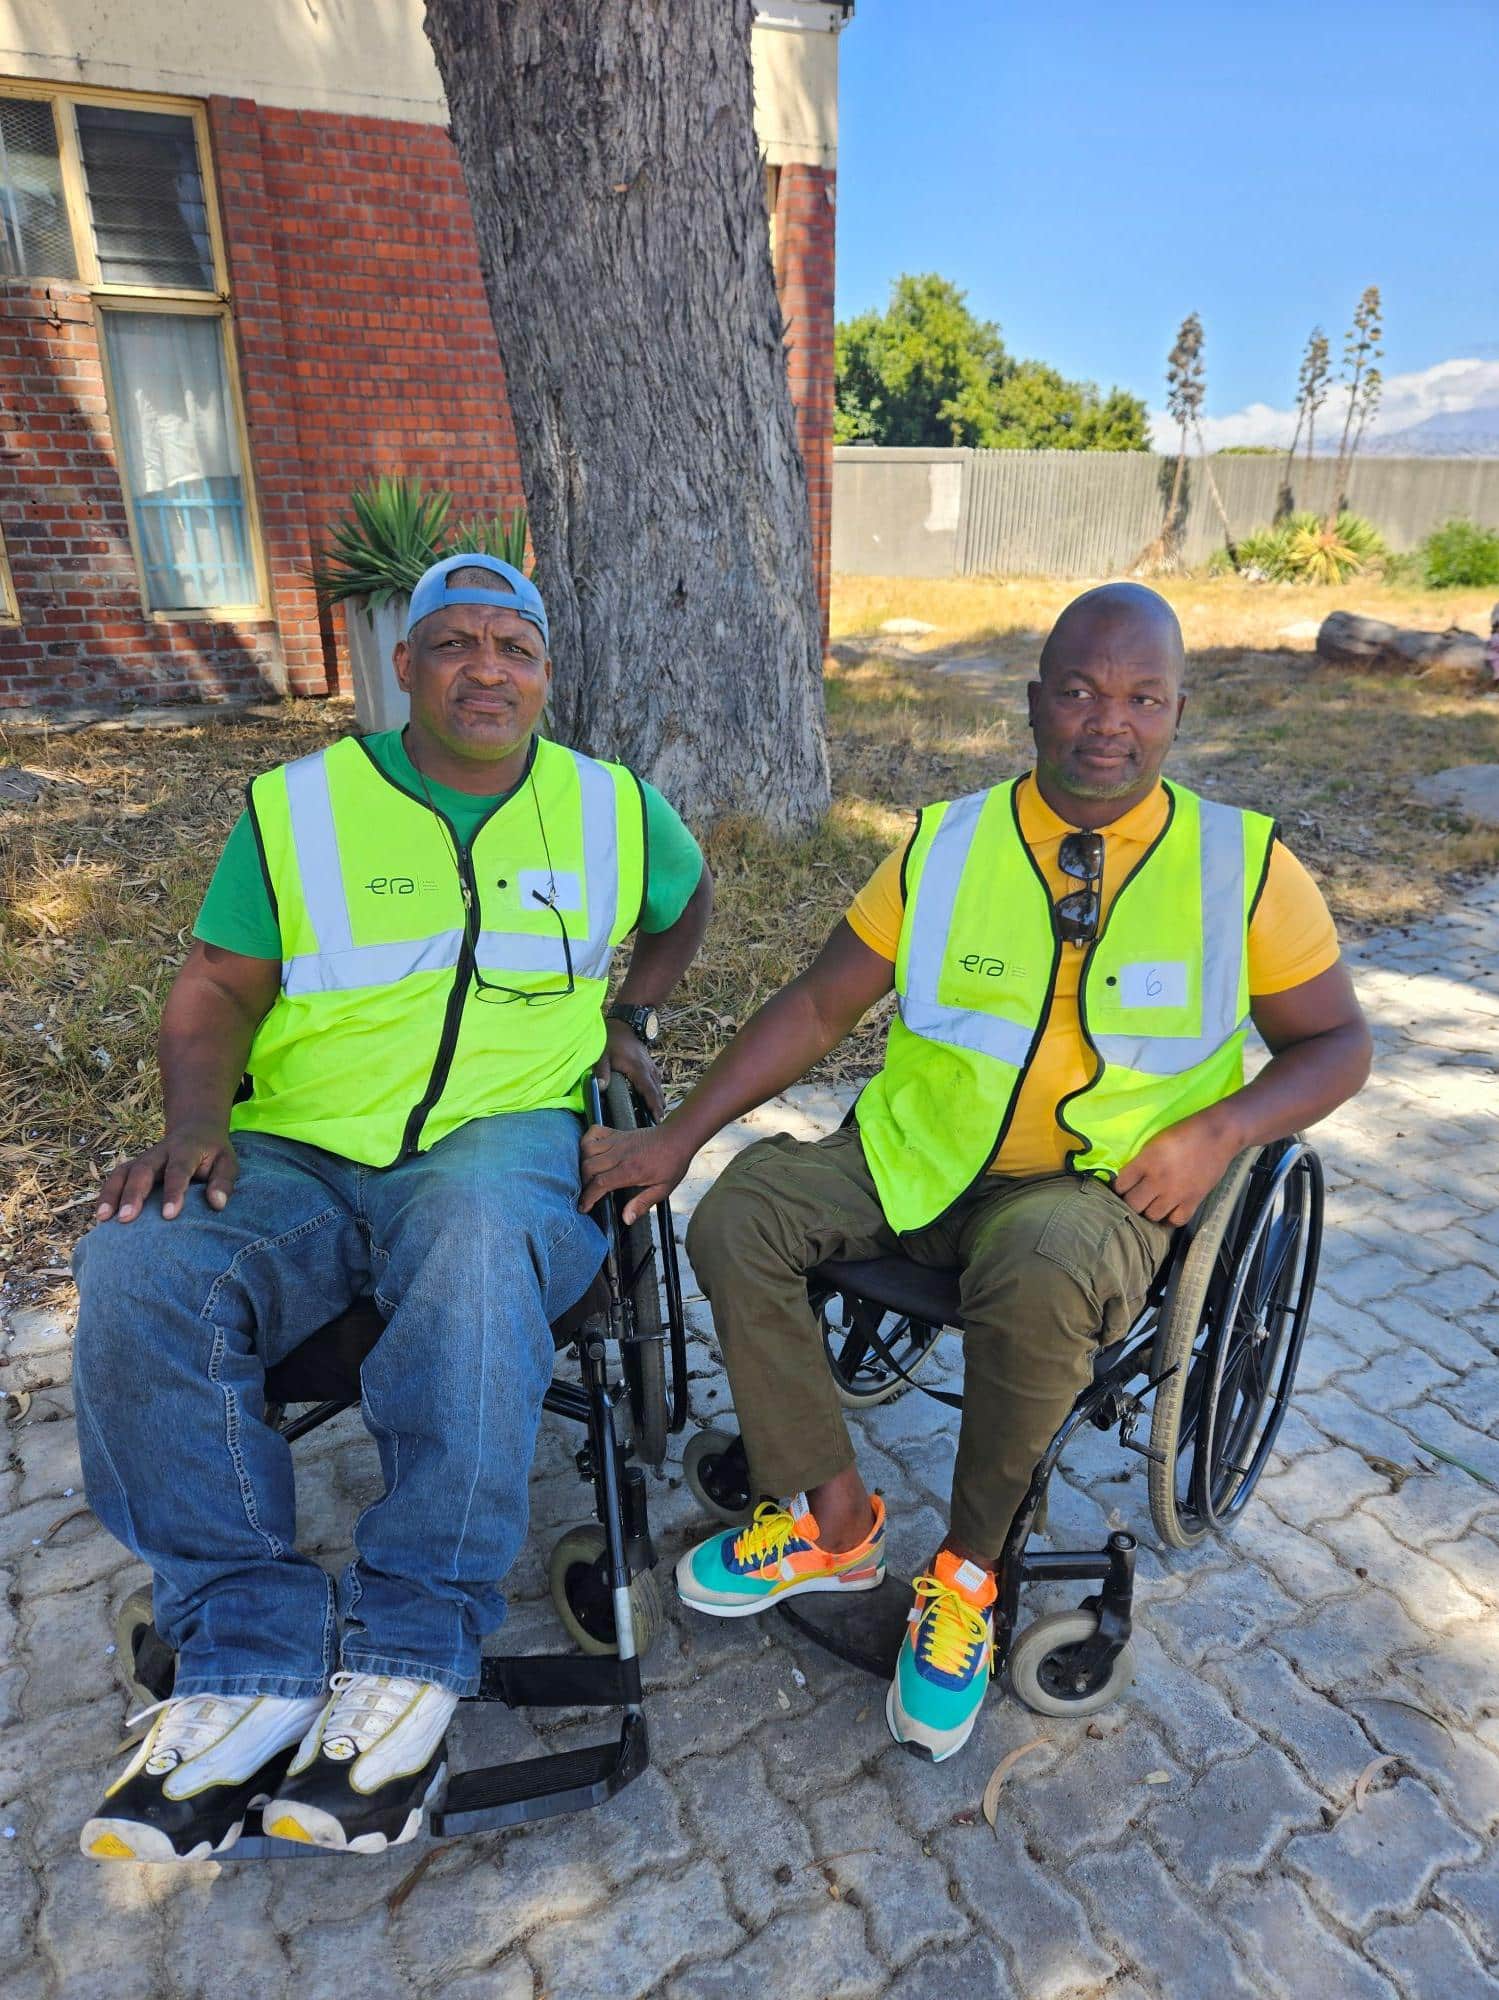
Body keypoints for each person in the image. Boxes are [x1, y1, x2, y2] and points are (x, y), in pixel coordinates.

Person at [580, 581, 1370, 1768]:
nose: (1110, 720)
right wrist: (681, 1133)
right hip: (919, 1160)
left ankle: (968, 1575)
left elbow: (1339, 1044)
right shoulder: (947, 844)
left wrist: (1223, 1130)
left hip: (1093, 1193)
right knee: (740, 1211)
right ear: (1033, 701)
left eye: (1142, 696)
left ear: (1178, 710)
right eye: (1081, 690)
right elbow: (813, 1003)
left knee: (1041, 1267)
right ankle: (834, 1520)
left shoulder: (1240, 865)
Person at [73, 553, 712, 1860]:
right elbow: (212, 988)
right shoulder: (302, 807)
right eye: (455, 644)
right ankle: (246, 1651)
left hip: (500, 1143)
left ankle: (413, 1649)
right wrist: (194, 1123)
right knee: (135, 1267)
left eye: (515, 647)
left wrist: (631, 1015)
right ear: (403, 667)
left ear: (547, 671)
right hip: (301, 1151)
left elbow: (688, 903)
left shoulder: (613, 809)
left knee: (476, 1246)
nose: (487, 669)